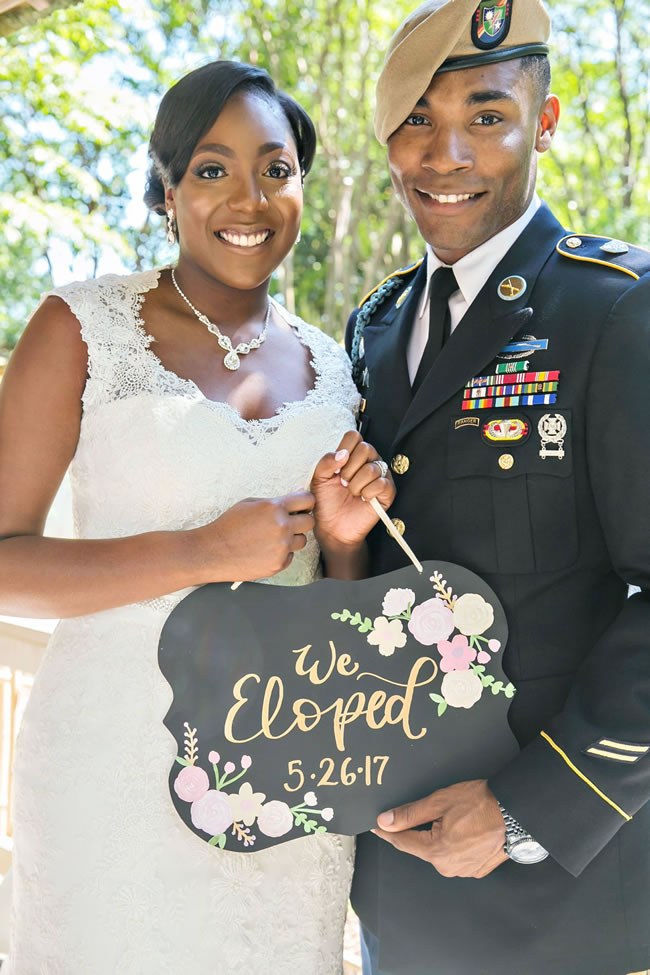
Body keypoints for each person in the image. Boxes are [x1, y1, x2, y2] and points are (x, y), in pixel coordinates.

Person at [0, 60, 395, 973]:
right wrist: (200, 550)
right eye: (213, 169)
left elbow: (339, 612)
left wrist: (343, 543)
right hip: (110, 764)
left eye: (277, 168)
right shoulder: (81, 327)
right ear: (168, 188)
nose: (248, 197)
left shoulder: (336, 369)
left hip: (283, 775)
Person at [346, 1, 650, 973]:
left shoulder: (617, 312)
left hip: (558, 900)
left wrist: (526, 813)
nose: (445, 155)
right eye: (415, 122)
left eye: (485, 116)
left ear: (545, 123)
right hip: (390, 877)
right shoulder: (375, 328)